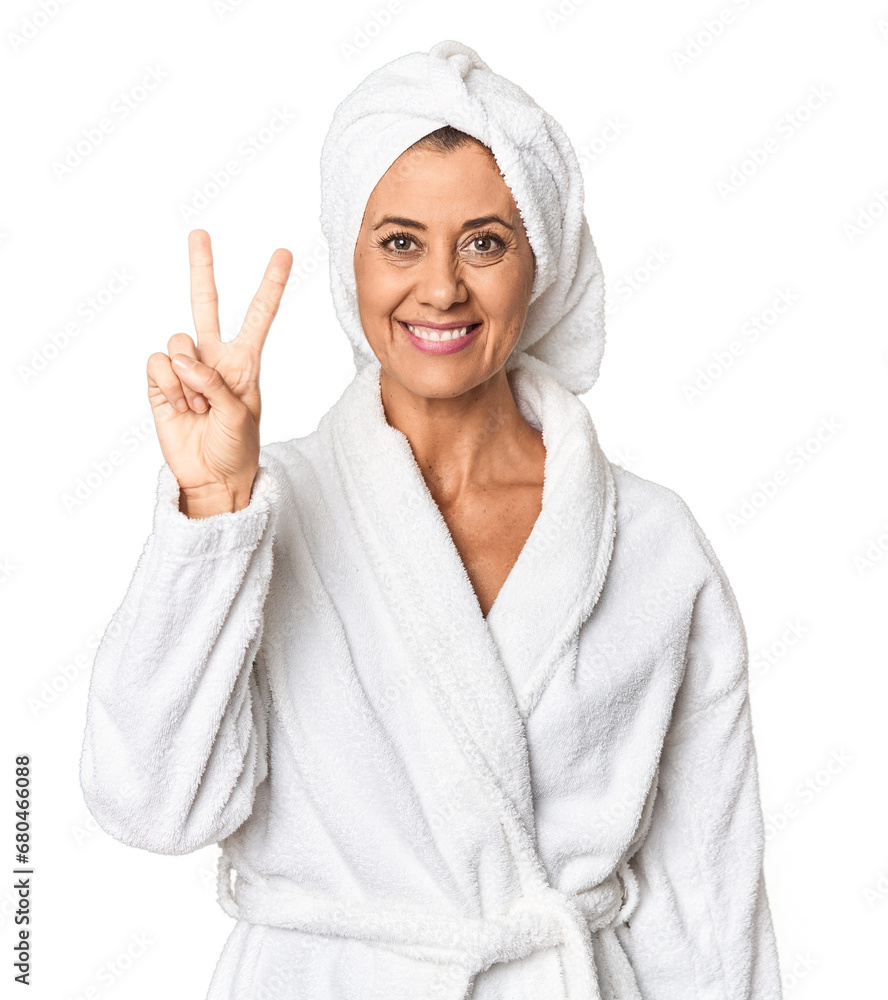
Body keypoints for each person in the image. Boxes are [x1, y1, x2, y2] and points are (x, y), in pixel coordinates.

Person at [79, 40, 783, 1000]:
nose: (442, 287)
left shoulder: (654, 545)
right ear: (351, 260)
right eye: (400, 242)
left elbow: (710, 893)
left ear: (544, 262)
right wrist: (211, 510)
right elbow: (150, 805)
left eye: (484, 242)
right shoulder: (259, 512)